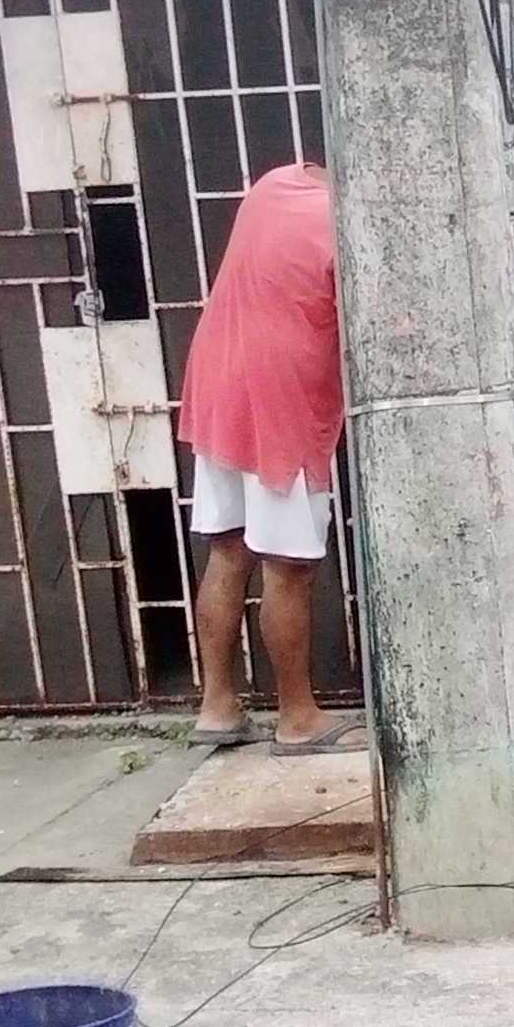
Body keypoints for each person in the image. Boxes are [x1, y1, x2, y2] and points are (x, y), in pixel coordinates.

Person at [176, 161, 351, 754]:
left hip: (219, 373)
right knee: (289, 564)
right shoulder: (350, 220)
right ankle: (298, 717)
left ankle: (217, 707)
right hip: (281, 392)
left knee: (228, 548)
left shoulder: (274, 184)